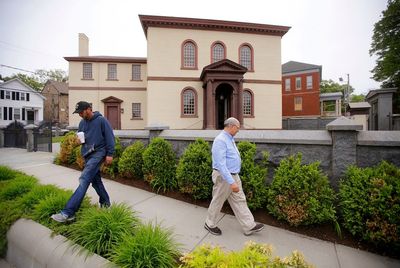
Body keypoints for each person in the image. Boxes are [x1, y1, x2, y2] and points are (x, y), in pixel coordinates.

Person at [51, 101, 115, 223]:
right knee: (96, 182)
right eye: (78, 112)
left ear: (88, 109)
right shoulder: (82, 123)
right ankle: (106, 204)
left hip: (98, 153)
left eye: (81, 112)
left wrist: (110, 154)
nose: (80, 114)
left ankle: (68, 212)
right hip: (88, 155)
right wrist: (78, 142)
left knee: (84, 179)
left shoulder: (101, 120)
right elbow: (82, 139)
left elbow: (110, 137)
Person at [205, 117, 264, 236]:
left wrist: (233, 179)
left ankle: (249, 226)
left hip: (233, 176)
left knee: (240, 200)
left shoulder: (229, 138)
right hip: (224, 177)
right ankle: (209, 223)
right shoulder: (220, 140)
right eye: (237, 128)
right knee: (218, 200)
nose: (238, 130)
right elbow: (221, 164)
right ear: (231, 126)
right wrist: (231, 182)